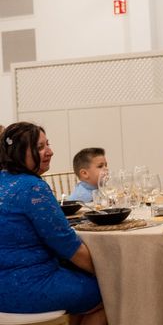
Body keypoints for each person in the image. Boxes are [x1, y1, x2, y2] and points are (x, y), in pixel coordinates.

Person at [0, 122, 107, 325]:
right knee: (108, 292)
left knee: (81, 289)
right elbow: (69, 246)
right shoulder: (32, 187)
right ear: (18, 152)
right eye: (40, 147)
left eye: (47, 144)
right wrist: (109, 273)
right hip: (28, 286)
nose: (50, 151)